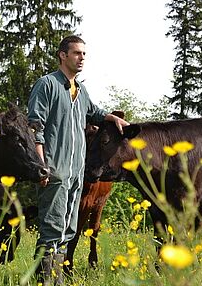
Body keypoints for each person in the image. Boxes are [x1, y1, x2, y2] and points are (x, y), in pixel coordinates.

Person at [27, 35, 129, 284]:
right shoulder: (47, 85)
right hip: (54, 170)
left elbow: (92, 112)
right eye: (76, 53)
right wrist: (41, 166)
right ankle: (46, 281)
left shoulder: (80, 90)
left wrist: (111, 118)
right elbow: (35, 126)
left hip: (76, 173)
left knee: (69, 230)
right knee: (52, 228)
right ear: (63, 55)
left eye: (84, 54)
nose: (82, 58)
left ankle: (55, 279)